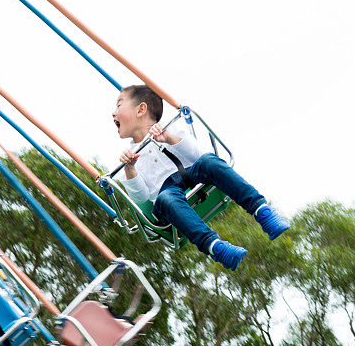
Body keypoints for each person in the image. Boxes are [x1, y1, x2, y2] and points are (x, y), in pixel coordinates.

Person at [113, 85, 289, 270]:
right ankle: (217, 248)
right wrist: (130, 168)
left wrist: (169, 138)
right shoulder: (129, 156)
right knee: (165, 199)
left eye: (119, 105)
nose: (113, 113)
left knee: (209, 161)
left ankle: (263, 212)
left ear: (141, 109)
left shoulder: (170, 127)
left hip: (193, 172)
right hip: (167, 192)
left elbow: (197, 155)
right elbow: (142, 198)